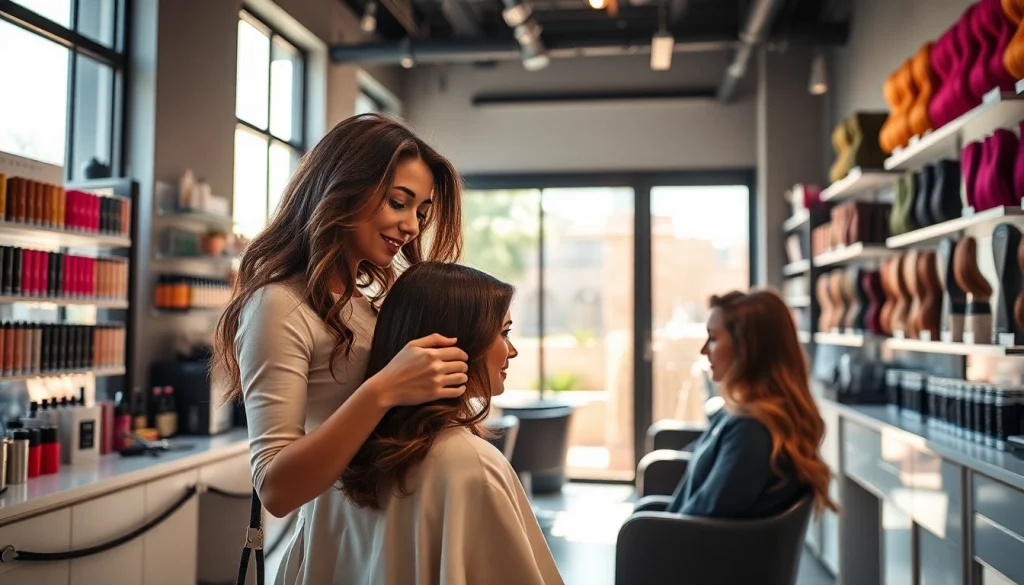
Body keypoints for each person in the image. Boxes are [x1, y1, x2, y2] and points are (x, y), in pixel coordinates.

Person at [211, 114, 471, 582]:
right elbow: (275, 488)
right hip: (345, 546)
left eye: (422, 213)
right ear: (344, 186)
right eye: (399, 202)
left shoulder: (369, 302)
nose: (412, 226)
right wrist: (382, 391)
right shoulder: (279, 305)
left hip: (389, 537)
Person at [309, 261, 563, 585]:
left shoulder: (336, 462)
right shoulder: (472, 465)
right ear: (457, 344)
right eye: (503, 332)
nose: (511, 351)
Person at [666, 290, 837, 519]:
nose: (704, 350)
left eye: (714, 338)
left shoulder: (750, 432)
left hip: (683, 551)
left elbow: (699, 526)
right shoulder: (751, 421)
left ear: (746, 350)